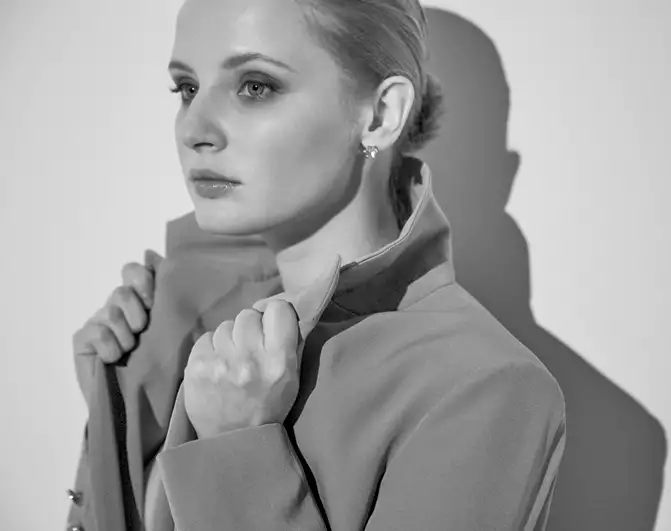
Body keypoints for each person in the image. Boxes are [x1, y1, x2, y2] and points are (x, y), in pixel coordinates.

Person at [66, 0, 566, 530]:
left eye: (255, 86)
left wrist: (238, 448)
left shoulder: (484, 386)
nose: (194, 129)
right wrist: (116, 405)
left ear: (380, 115)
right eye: (187, 88)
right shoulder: (180, 328)